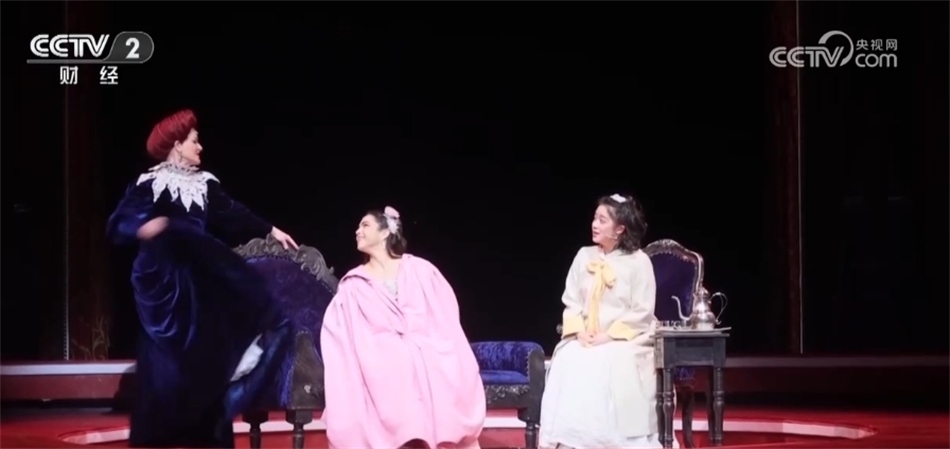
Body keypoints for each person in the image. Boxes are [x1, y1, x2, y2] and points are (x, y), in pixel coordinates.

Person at [107, 109, 300, 448]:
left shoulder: (204, 184)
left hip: (200, 281)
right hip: (163, 284)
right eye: (194, 141)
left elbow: (234, 212)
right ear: (177, 145)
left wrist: (271, 229)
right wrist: (145, 226)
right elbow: (118, 224)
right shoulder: (149, 183)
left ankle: (210, 427)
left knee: (210, 357)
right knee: (165, 365)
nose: (200, 147)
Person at [320, 206, 486, 449]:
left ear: (385, 232)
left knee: (435, 362)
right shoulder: (354, 284)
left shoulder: (420, 269)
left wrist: (424, 342)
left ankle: (437, 437)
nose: (357, 231)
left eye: (365, 225)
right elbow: (347, 331)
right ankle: (405, 438)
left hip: (427, 345)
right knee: (397, 362)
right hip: (377, 353)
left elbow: (444, 315)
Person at [540, 193, 671, 449]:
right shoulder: (584, 256)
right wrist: (579, 332)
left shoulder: (639, 262)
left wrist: (609, 336)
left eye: (602, 220)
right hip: (587, 336)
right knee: (569, 357)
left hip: (627, 336)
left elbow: (642, 310)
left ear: (620, 228)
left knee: (612, 359)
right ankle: (572, 439)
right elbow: (571, 301)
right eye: (595, 218)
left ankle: (619, 440)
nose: (594, 225)